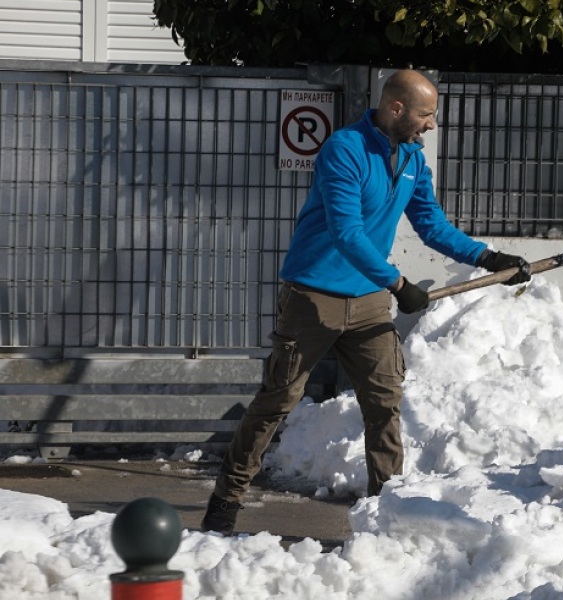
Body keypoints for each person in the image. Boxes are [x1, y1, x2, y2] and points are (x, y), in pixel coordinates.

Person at [201, 69, 531, 534]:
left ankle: (387, 510)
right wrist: (398, 284)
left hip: (370, 298)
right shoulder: (345, 149)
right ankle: (226, 500)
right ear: (396, 107)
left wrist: (488, 257)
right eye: (426, 114)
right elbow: (347, 232)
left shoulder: (412, 158)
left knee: (384, 403)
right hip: (313, 296)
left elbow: (432, 225)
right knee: (277, 399)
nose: (431, 125)